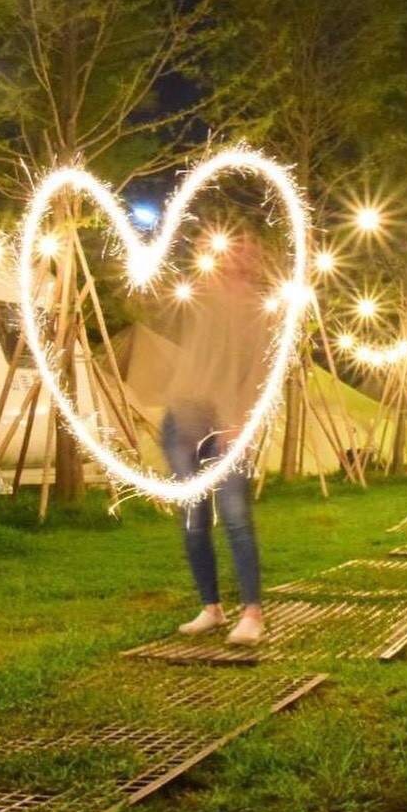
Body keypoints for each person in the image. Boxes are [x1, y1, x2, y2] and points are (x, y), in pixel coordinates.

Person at [161, 236, 272, 646]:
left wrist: (240, 422)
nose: (237, 255)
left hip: (227, 425)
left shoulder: (260, 312)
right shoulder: (198, 298)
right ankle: (211, 607)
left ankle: (252, 613)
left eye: (247, 250)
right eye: (231, 248)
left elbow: (259, 371)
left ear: (257, 261)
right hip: (182, 419)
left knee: (235, 515)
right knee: (195, 520)